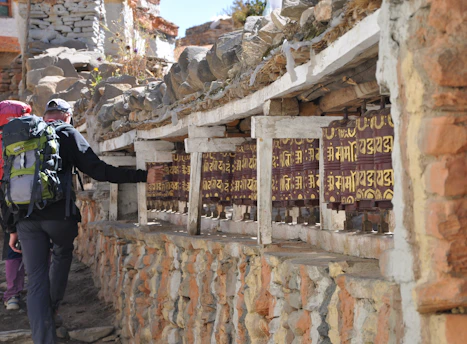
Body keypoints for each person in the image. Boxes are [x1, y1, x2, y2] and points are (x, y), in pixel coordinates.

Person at [8, 99, 157, 343]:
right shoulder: (67, 133)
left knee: (35, 279)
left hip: (25, 217)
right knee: (61, 254)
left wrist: (11, 227)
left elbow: (9, 181)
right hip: (59, 216)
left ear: (46, 115)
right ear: (67, 116)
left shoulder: (26, 134)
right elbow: (98, 170)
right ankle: (53, 312)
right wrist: (142, 175)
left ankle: (43, 338)